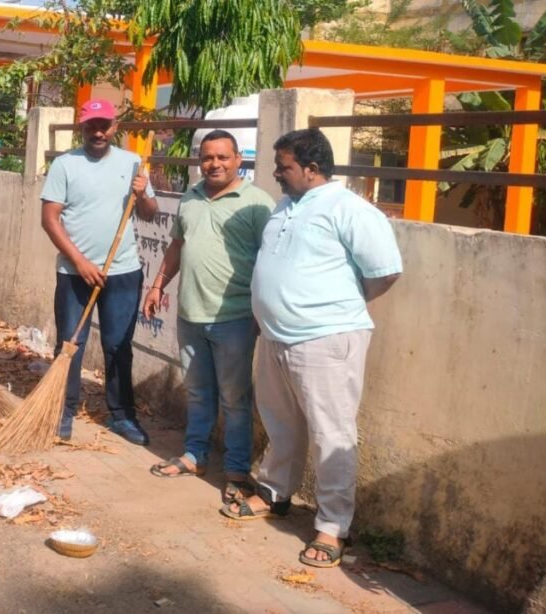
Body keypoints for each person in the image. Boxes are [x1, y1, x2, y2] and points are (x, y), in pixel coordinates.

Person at [222, 128, 402, 569]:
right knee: (281, 423)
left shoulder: (350, 209)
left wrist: (332, 308)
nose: (276, 174)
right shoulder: (286, 205)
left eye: (283, 166)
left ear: (312, 168)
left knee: (330, 434)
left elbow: (385, 272)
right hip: (277, 337)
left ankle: (332, 527)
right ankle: (274, 493)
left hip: (326, 339)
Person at [144, 130, 273, 502]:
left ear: (239, 160)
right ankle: (194, 455)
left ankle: (236, 469)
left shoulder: (256, 204)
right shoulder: (191, 197)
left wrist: (262, 311)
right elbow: (177, 246)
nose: (214, 164)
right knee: (198, 392)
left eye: (223, 157)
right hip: (191, 313)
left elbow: (271, 259)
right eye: (207, 158)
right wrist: (157, 286)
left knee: (234, 397)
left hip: (234, 316)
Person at [40, 98, 158, 445]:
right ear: (82, 128)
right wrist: (79, 262)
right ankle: (63, 410)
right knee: (69, 343)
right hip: (75, 273)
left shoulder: (133, 163)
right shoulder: (64, 165)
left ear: (115, 127)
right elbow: (50, 219)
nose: (98, 131)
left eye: (104, 125)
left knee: (117, 345)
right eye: (91, 125)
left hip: (123, 272)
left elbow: (150, 213)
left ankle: (122, 416)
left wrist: (144, 195)